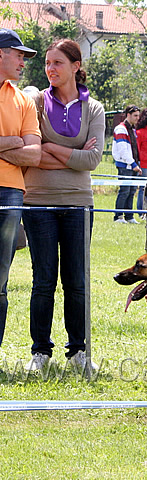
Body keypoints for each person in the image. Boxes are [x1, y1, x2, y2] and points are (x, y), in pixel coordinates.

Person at [22, 39, 105, 372]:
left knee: (77, 281)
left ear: (75, 66)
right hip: (38, 203)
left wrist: (50, 148)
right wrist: (70, 155)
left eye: (57, 62)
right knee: (43, 281)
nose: (50, 69)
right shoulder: (35, 103)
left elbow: (93, 159)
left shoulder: (94, 108)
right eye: (47, 63)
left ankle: (79, 353)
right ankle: (40, 353)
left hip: (79, 205)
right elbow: (32, 154)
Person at [0, 29, 41, 352]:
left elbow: (34, 154)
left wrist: (14, 145)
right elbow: (22, 148)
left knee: (0, 282)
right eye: (18, 54)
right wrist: (12, 142)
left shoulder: (23, 99)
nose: (23, 62)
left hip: (11, 192)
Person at [113, 105, 141, 224]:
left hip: (133, 164)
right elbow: (123, 150)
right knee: (124, 191)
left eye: (138, 116)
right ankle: (118, 216)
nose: (137, 118)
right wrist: (133, 163)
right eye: (135, 115)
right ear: (128, 115)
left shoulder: (132, 130)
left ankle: (129, 216)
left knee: (132, 191)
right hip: (125, 165)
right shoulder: (121, 129)